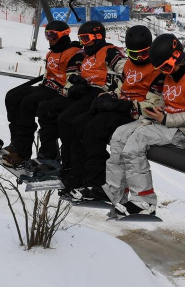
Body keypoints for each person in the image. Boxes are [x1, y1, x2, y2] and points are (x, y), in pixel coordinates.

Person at [103, 33, 185, 217]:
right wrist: (154, 113)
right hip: (165, 124)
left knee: (135, 143)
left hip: (184, 132)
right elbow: (166, 101)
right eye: (159, 68)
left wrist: (165, 119)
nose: (163, 72)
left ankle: (144, 202)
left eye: (165, 67)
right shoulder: (172, 73)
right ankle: (116, 195)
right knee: (120, 135)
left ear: (176, 56)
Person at [65, 25, 165, 202]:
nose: (139, 58)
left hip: (137, 114)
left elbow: (154, 104)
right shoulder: (128, 65)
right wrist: (108, 96)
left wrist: (122, 105)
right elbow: (121, 88)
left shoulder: (158, 69)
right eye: (134, 54)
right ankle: (77, 176)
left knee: (95, 128)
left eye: (144, 53)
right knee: (79, 123)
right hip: (122, 106)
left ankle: (97, 183)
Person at [37, 20, 124, 187]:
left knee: (74, 123)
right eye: (81, 39)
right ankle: (65, 164)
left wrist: (112, 90)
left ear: (98, 37)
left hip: (99, 93)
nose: (84, 43)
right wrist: (74, 84)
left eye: (86, 39)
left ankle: (77, 171)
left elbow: (125, 69)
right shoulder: (83, 55)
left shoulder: (109, 52)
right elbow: (71, 74)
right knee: (55, 114)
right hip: (83, 93)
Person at [3, 20, 82, 167]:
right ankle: (16, 143)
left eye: (53, 36)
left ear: (64, 35)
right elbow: (48, 75)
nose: (49, 39)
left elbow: (74, 78)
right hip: (47, 87)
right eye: (47, 36)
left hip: (60, 91)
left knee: (28, 103)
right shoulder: (51, 53)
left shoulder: (74, 53)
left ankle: (22, 153)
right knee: (13, 96)